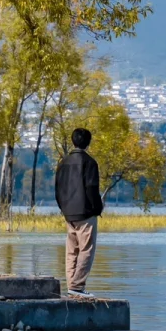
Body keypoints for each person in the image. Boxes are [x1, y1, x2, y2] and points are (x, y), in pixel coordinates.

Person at [55, 127, 104, 297]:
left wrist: (63, 208)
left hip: (69, 213)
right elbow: (91, 188)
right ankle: (77, 286)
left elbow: (57, 189)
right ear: (88, 142)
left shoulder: (63, 163)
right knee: (86, 249)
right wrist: (97, 208)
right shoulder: (90, 162)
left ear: (73, 140)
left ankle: (72, 286)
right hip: (85, 212)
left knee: (71, 250)